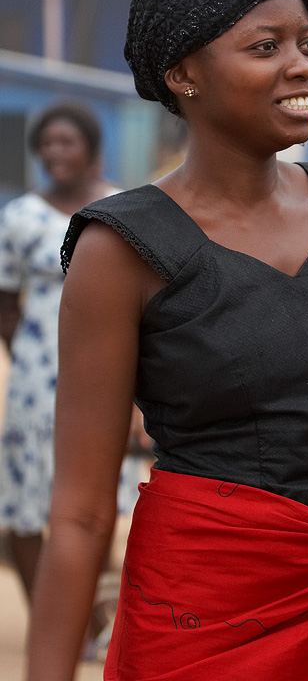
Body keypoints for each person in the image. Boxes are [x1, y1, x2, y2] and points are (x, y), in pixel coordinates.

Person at [27, 0, 308, 681]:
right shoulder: (120, 248)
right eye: (265, 46)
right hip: (205, 618)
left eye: (307, 44)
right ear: (182, 74)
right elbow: (82, 514)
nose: (304, 66)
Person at [0, 102, 141, 644]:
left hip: (107, 377)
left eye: (67, 142)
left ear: (92, 149)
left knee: (94, 499)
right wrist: (34, 359)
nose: (55, 153)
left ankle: (87, 619)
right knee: (27, 502)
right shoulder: (19, 217)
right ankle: (53, 626)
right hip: (36, 386)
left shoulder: (119, 209)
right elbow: (6, 304)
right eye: (47, 144)